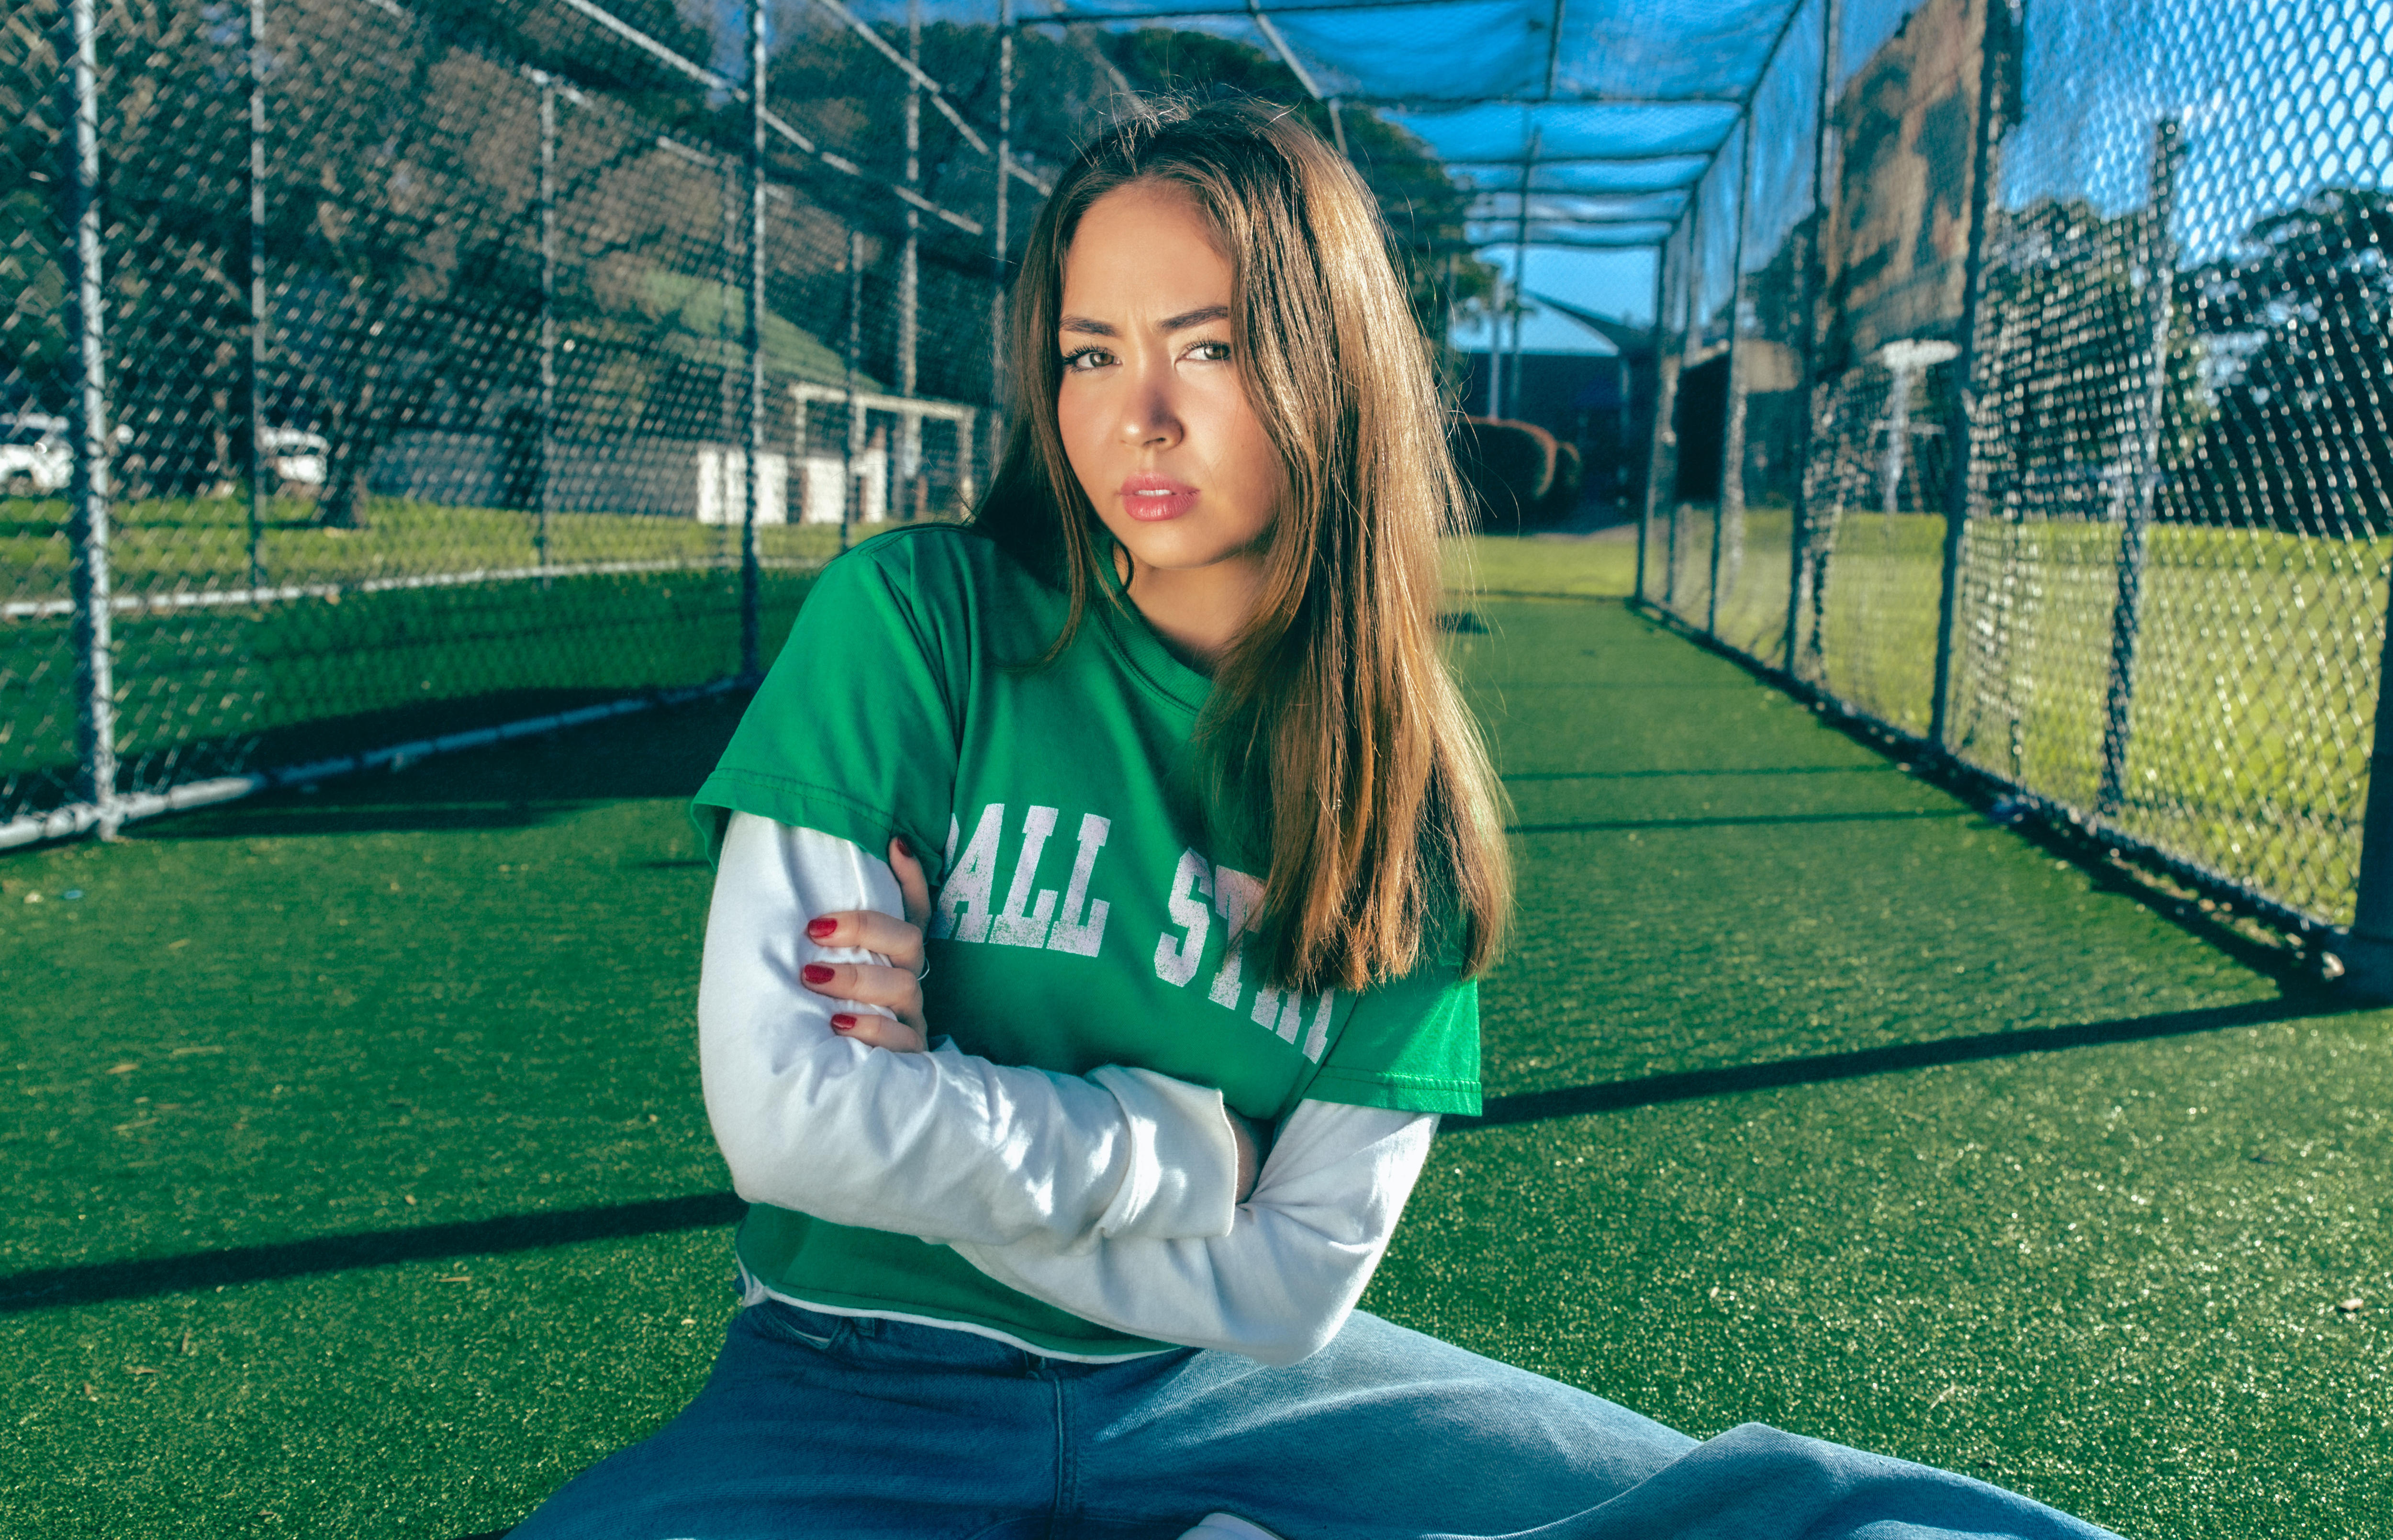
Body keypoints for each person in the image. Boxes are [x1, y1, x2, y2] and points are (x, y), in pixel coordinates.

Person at [511, 97, 2119, 1540]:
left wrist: (940, 1111)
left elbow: (1289, 1291)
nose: (1138, 413)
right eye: (1090, 351)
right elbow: (791, 1122)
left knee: (1760, 1519)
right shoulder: (915, 622)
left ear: (1325, 365)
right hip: (851, 1376)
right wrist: (1169, 1145)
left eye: (1206, 348)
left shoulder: (1407, 815)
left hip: (1219, 1385)